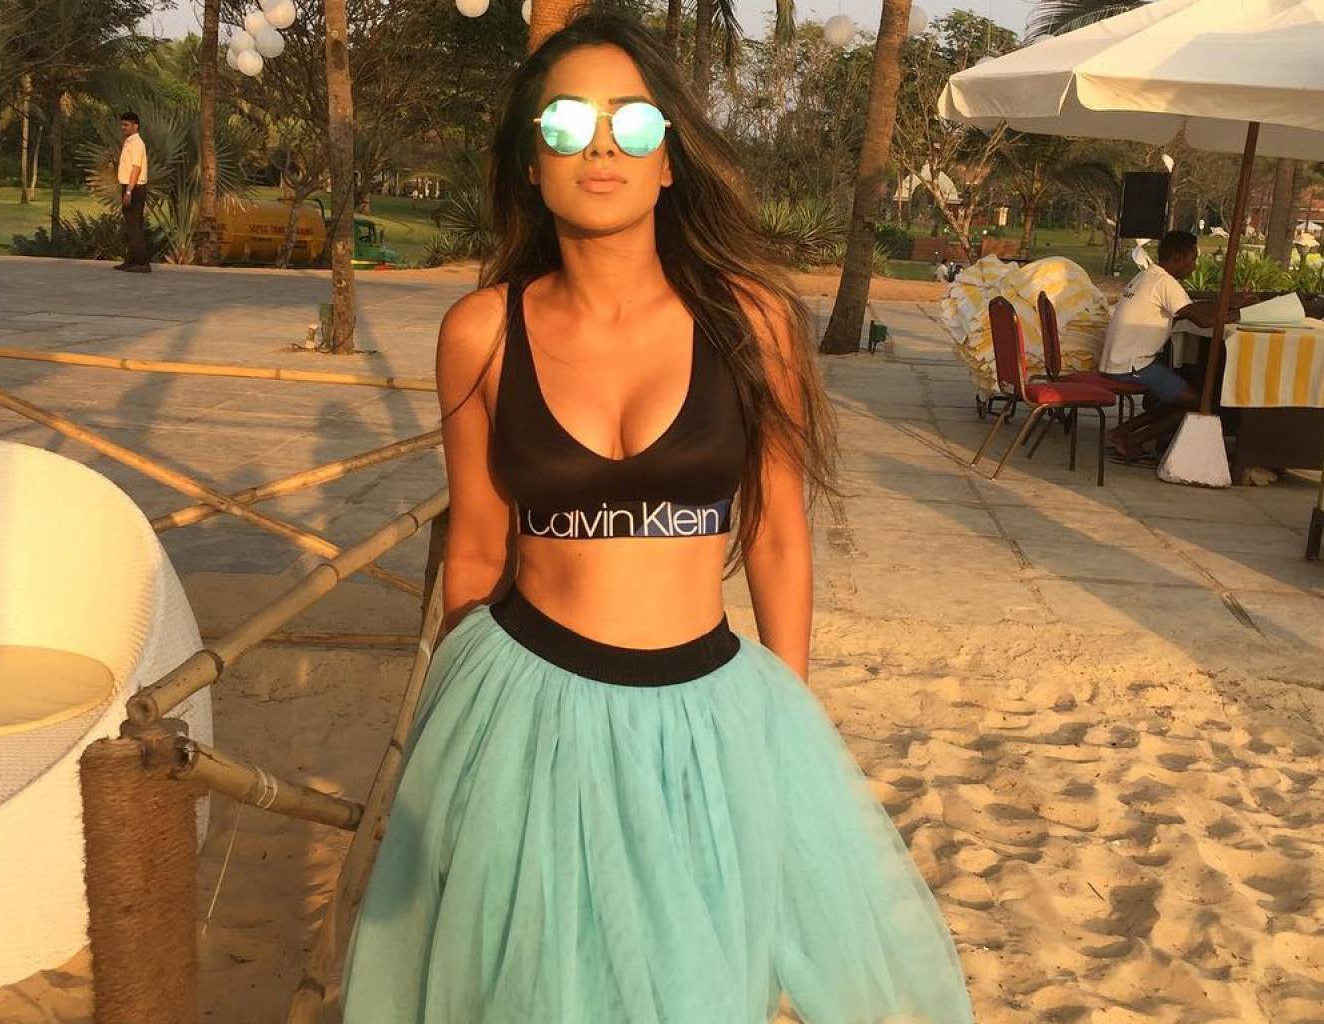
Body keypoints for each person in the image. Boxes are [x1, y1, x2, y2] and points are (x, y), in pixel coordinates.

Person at [341, 14, 973, 1024]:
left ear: (669, 160)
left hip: (706, 718)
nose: (601, 146)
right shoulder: (481, 333)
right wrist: (454, 739)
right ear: (530, 162)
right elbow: (475, 549)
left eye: (632, 124)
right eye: (567, 123)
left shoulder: (751, 321)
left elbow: (776, 535)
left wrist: (782, 728)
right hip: (524, 707)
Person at [1099, 230, 1235, 459]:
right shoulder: (1164, 282)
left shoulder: (1147, 276)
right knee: (1199, 402)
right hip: (1133, 365)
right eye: (1193, 259)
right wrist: (1239, 313)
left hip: (1119, 360)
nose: (1194, 266)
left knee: (1178, 394)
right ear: (1178, 257)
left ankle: (1122, 432)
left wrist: (1226, 303)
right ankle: (1134, 439)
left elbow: (1190, 310)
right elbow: (1202, 320)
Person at [115, 111, 149, 273]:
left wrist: (128, 191)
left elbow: (136, 168)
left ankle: (142, 263)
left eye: (126, 125)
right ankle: (131, 260)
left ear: (136, 126)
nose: (123, 127)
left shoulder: (137, 143)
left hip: (134, 188)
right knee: (131, 226)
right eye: (122, 124)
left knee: (134, 227)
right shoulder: (129, 142)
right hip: (129, 186)